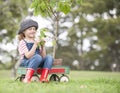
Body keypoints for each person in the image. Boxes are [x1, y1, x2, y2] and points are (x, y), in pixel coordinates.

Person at [17, 19, 53, 83]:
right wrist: (35, 44)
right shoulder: (22, 42)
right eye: (30, 29)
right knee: (37, 57)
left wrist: (43, 45)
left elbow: (43, 57)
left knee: (49, 57)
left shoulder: (36, 41)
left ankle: (43, 78)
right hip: (26, 62)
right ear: (24, 31)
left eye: (34, 29)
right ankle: (27, 78)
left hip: (37, 61)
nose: (33, 31)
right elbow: (28, 56)